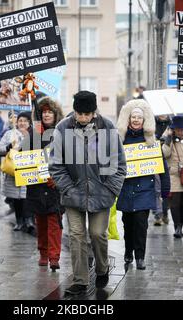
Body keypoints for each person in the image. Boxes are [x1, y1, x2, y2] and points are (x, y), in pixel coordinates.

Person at [49, 91, 127, 295]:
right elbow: (56, 165)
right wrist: (67, 187)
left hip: (101, 193)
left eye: (86, 113)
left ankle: (102, 268)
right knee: (76, 235)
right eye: (79, 113)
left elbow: (119, 164)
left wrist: (110, 189)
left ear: (94, 112)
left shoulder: (108, 128)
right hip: (72, 193)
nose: (82, 117)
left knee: (97, 234)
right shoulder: (62, 128)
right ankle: (80, 280)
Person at [116, 99, 170, 270]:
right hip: (126, 188)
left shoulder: (152, 142)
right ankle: (128, 251)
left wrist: (166, 188)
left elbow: (163, 166)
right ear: (128, 119)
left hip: (145, 189)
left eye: (139, 117)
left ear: (144, 119)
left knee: (141, 224)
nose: (136, 120)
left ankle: (140, 257)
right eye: (133, 117)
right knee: (128, 223)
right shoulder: (120, 142)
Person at [24, 96, 65, 271]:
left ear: (55, 114)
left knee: (54, 222)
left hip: (55, 186)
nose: (47, 115)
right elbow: (24, 157)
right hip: (37, 186)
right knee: (40, 222)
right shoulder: (33, 133)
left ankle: (54, 257)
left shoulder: (63, 133)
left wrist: (59, 178)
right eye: (44, 112)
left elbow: (68, 158)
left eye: (50, 111)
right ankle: (43, 252)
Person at [0, 111, 35, 233]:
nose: (22, 123)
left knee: (28, 196)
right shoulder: (10, 134)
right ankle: (19, 221)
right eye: (20, 120)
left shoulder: (34, 134)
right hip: (14, 170)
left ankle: (29, 220)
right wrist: (8, 147)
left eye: (25, 121)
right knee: (17, 198)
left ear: (29, 122)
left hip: (30, 169)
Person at [161, 116, 183, 238]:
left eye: (181, 129)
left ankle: (180, 225)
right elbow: (164, 153)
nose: (180, 131)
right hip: (174, 176)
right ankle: (177, 227)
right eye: (177, 129)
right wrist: (168, 138)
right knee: (175, 203)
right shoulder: (168, 140)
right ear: (173, 129)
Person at [152, 114, 172, 226]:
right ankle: (158, 214)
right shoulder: (151, 124)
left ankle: (165, 212)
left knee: (166, 190)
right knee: (156, 188)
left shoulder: (172, 124)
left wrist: (168, 138)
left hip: (168, 162)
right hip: (155, 159)